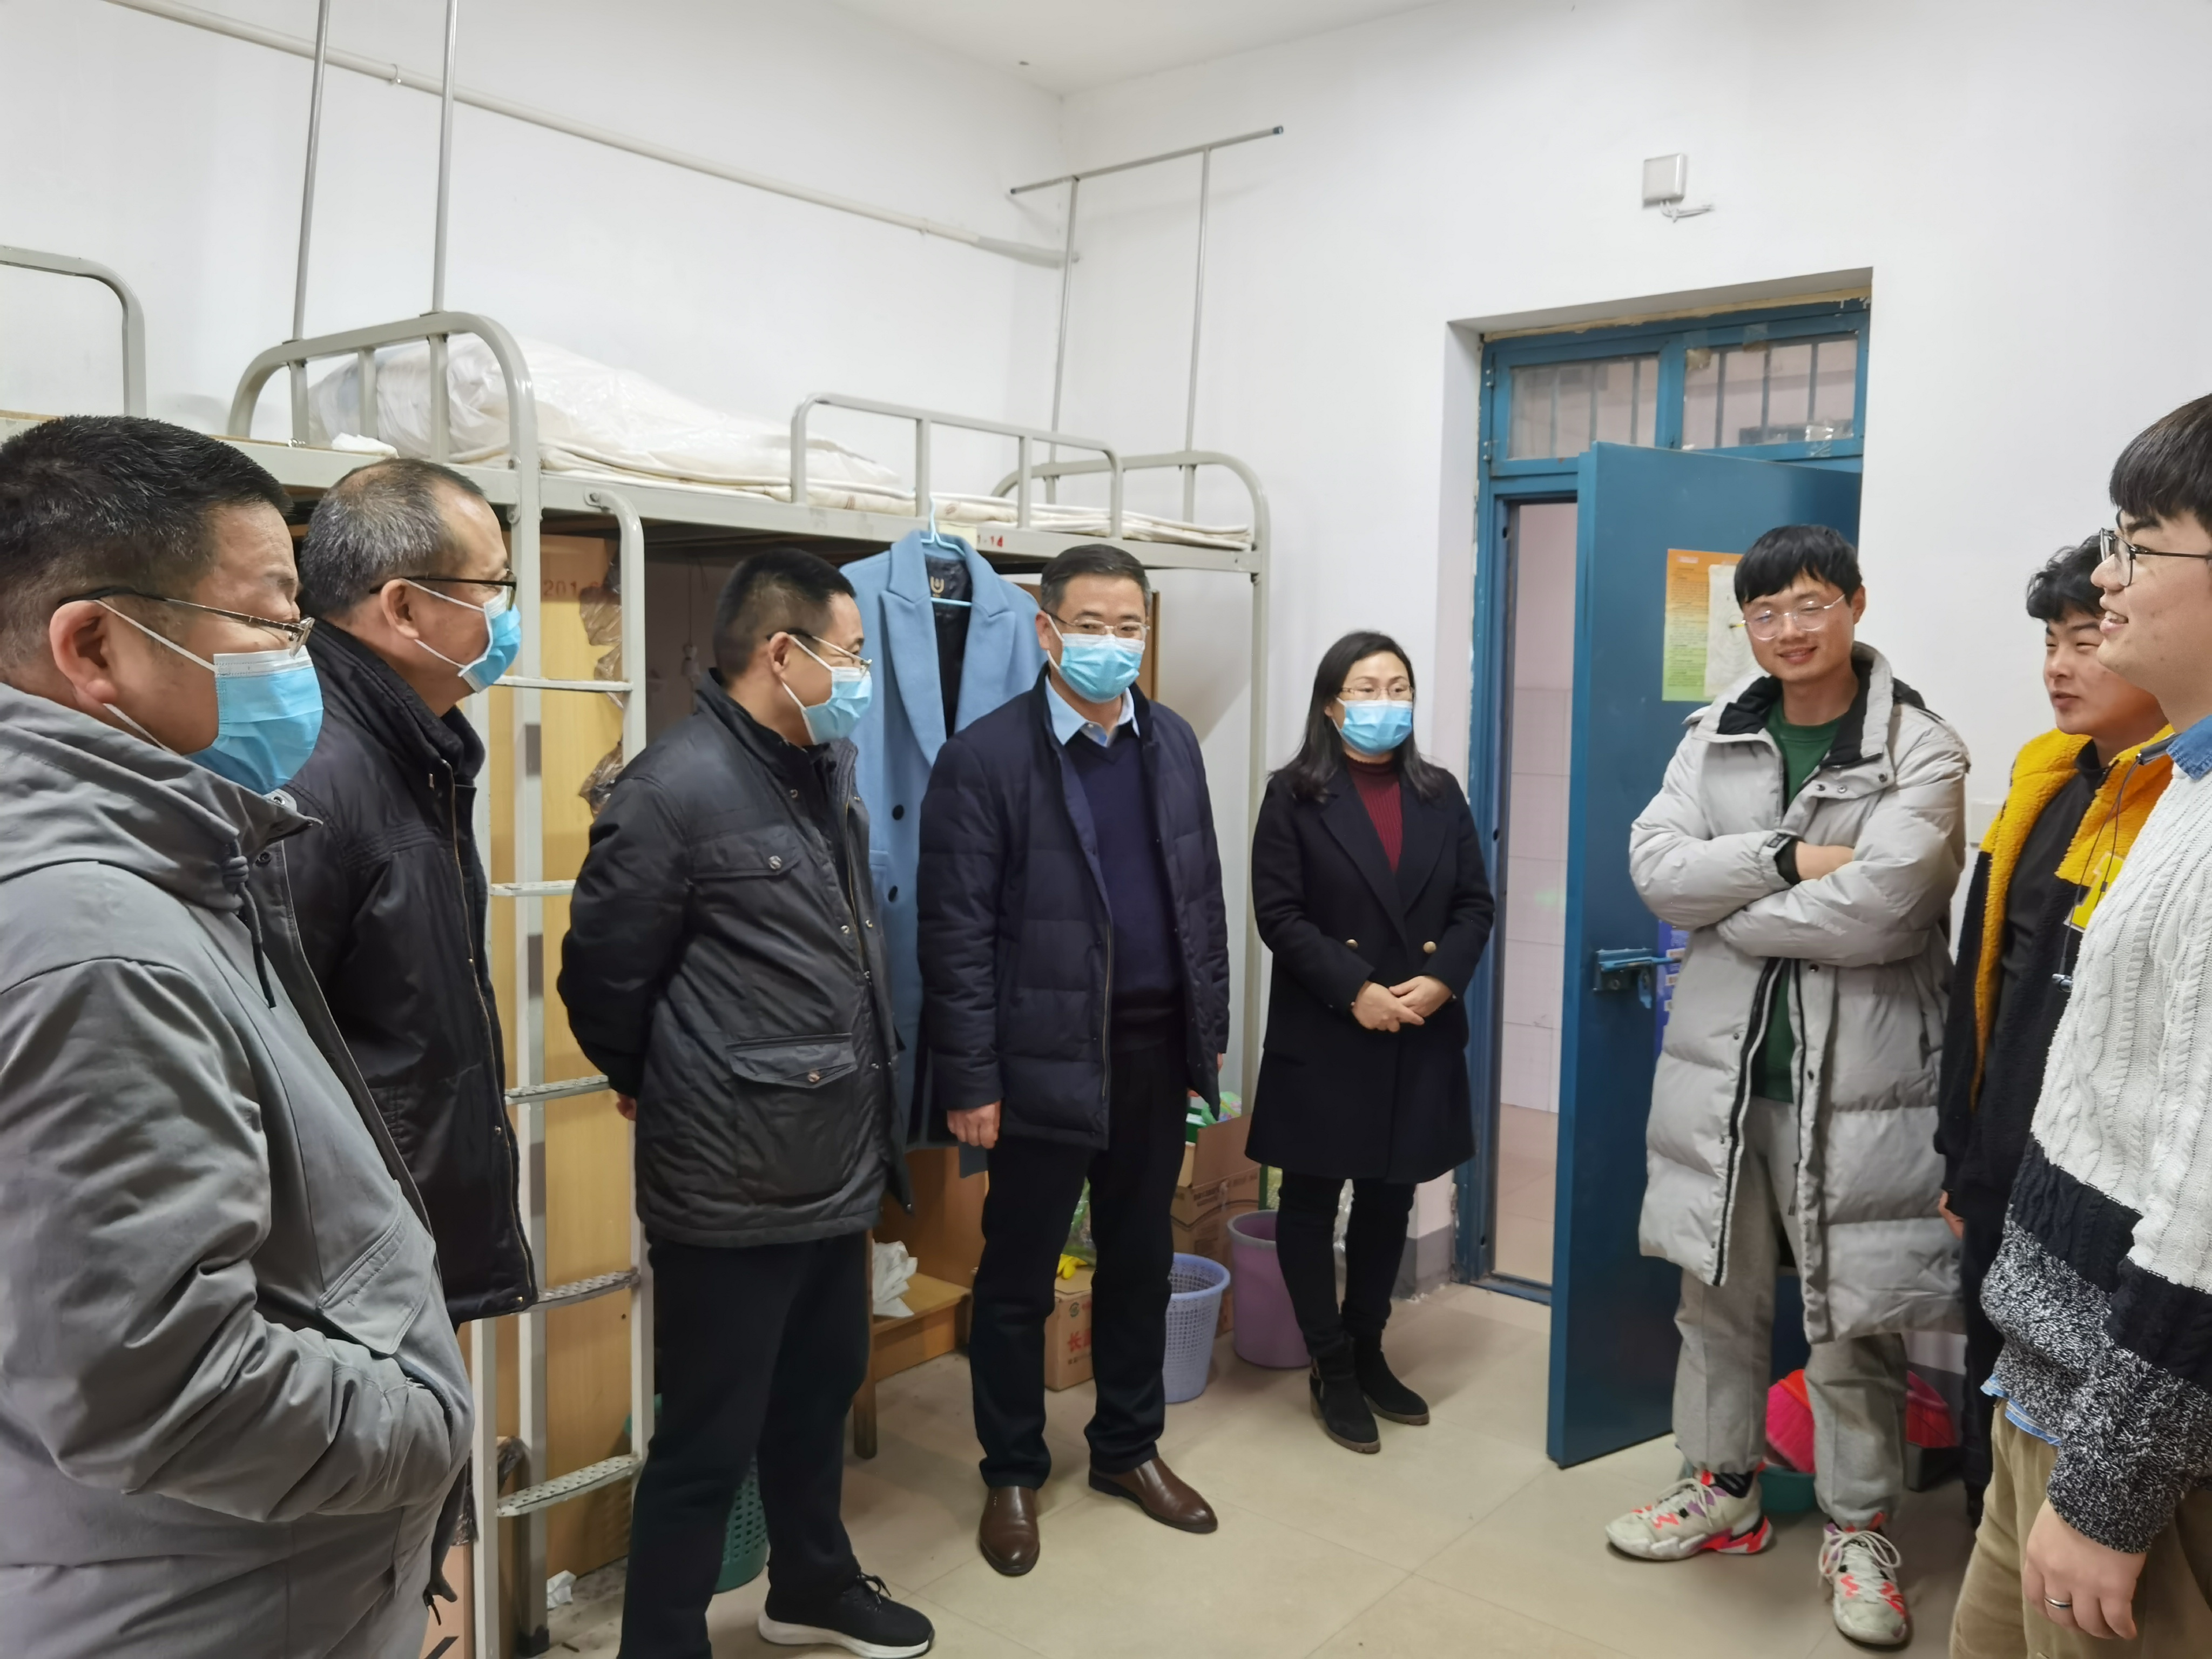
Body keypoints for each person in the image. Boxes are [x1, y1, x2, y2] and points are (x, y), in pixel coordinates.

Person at [0, 416, 471, 1657]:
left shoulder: (170, 863)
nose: (297, 657)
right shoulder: (91, 943)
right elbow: (153, 1385)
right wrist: (427, 1426)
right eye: (269, 619)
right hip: (216, 1604)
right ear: (95, 646)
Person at [558, 547, 930, 1659]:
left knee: (818, 1395)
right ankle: (661, 1642)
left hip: (833, 1159)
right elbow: (602, 981)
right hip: (730, 1181)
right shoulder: (670, 790)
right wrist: (656, 1078)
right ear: (782, 653)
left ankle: (811, 1584)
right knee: (708, 1439)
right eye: (851, 654)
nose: (861, 676)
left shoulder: (821, 766)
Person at [1617, 524, 1967, 1650]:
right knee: (1712, 1299)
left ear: (1855, 603)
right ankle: (1719, 1488)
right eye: (1763, 613)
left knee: (1852, 1320)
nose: (1786, 630)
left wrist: (1733, 914)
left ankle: (1858, 1530)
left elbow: (1887, 908)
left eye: (1809, 604)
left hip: (1861, 1092)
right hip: (1724, 1084)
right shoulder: (1714, 733)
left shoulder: (1919, 748)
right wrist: (1782, 860)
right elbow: (1656, 871)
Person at [1953, 396, 2212, 1655]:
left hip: (2128, 1460)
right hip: (2048, 1384)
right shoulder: (2176, 784)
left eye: (2134, 545)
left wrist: (2109, 1490)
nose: (2105, 581)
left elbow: (2204, 1213)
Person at [919, 542, 1232, 1577]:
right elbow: (954, 935)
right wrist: (971, 1079)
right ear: (1047, 631)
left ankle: (1127, 1450)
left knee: (1141, 1262)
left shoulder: (1171, 741)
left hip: (1152, 1054)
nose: (1112, 644)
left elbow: (1201, 901)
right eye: (1091, 625)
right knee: (1017, 1276)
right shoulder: (985, 758)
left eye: (1128, 626)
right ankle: (1012, 1470)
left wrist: (1206, 1035)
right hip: (1038, 1062)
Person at [262, 458, 535, 1326]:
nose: (508, 614)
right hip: (352, 1267)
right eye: (495, 586)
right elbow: (275, 1061)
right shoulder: (315, 778)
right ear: (406, 607)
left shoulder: (412, 748)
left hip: (391, 1241)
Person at [1934, 538, 2169, 1527]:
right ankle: (1987, 1545)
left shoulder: (2178, 809)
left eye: (2088, 639)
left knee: (2079, 1419)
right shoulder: (2041, 781)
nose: (2061, 667)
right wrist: (1960, 1152)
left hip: (2105, 1191)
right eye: (2050, 643)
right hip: (2001, 1157)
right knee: (1990, 1373)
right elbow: (1982, 983)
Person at [1247, 631, 1494, 1453]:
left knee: (1391, 1197)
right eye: (1365, 687)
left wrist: (1443, 978)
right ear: (1332, 704)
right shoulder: (1293, 794)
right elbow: (1280, 914)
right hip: (1329, 1026)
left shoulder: (1439, 793)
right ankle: (1330, 1365)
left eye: (1398, 687)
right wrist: (1356, 989)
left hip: (1417, 1025)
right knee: (1311, 1202)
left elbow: (1474, 905)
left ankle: (1367, 1347)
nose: (1385, 702)